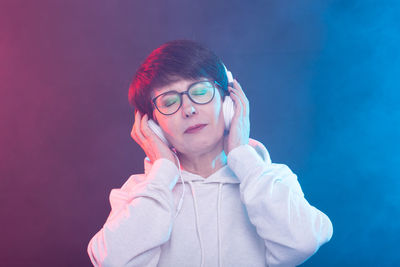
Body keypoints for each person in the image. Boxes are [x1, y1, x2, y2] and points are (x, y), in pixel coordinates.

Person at [87, 40, 333, 267]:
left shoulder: (270, 178)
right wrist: (162, 174)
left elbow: (303, 242)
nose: (189, 109)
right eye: (169, 102)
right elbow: (112, 261)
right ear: (153, 126)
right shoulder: (139, 193)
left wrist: (242, 155)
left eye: (201, 92)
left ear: (228, 102)